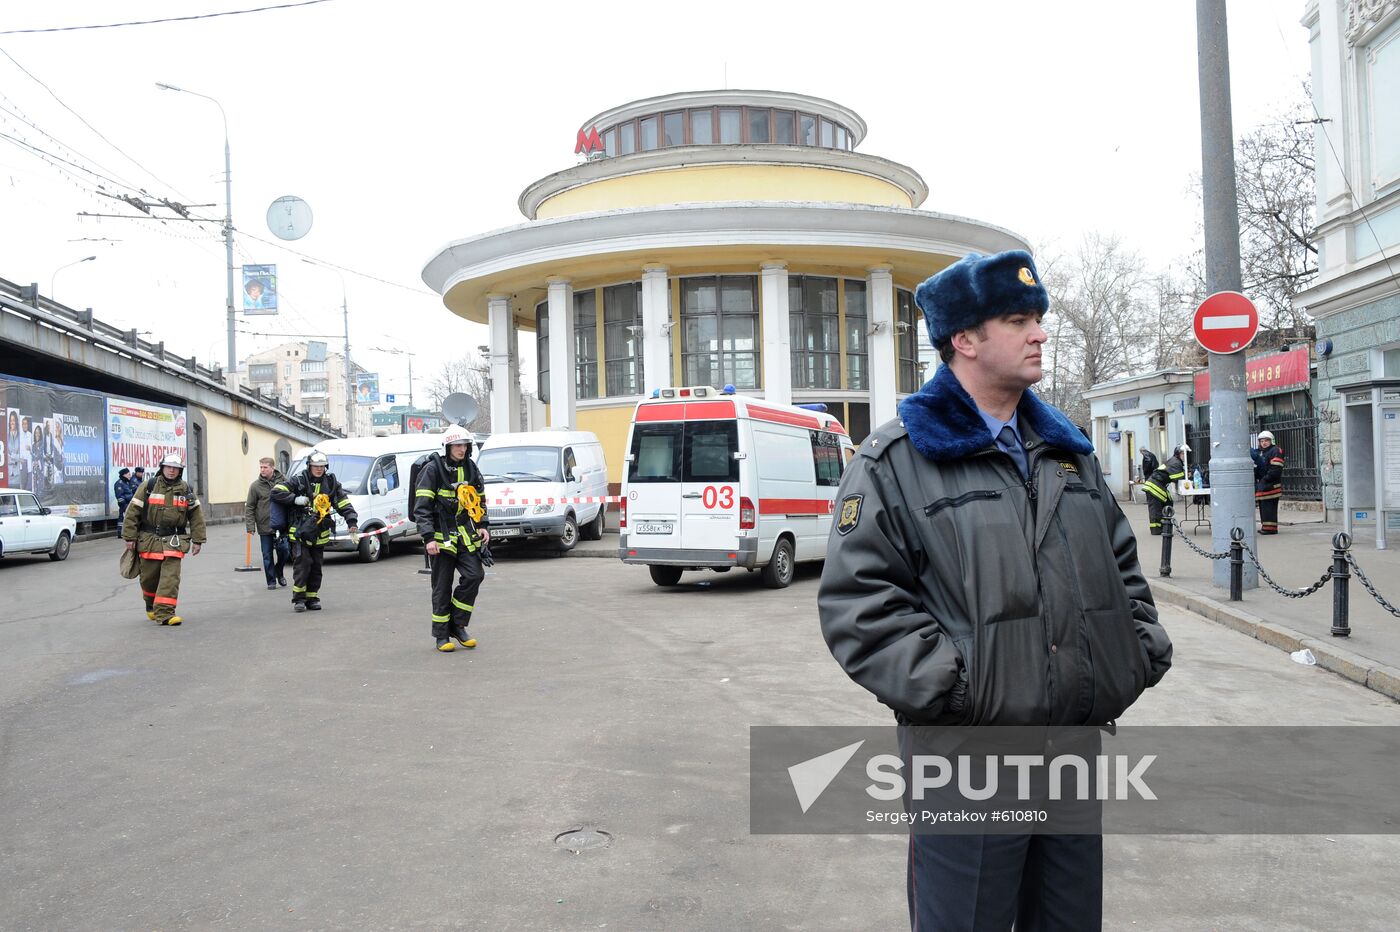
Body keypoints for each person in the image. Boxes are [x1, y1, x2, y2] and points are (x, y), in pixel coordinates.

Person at [818, 250, 1173, 931]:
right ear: (964, 339)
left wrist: (1135, 655)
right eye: (1017, 320)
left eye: (1039, 318)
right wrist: (963, 690)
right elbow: (859, 604)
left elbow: (1123, 569)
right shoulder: (895, 460)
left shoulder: (1067, 456)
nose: (1040, 333)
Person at [413, 425, 490, 653]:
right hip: (440, 539)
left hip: (465, 536)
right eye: (457, 445)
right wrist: (428, 538)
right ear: (448, 447)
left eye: (465, 445)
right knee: (441, 587)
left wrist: (483, 525)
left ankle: (458, 624)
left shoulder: (471, 468)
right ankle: (441, 635)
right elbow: (422, 508)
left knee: (475, 575)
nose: (462, 449)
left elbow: (480, 501)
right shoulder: (432, 470)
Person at [121, 453, 206, 626]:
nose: (171, 471)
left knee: (170, 578)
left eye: (175, 468)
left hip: (174, 540)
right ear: (162, 468)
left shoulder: (186, 489)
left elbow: (196, 516)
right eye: (168, 467)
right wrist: (129, 536)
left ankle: (166, 613)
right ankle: (151, 605)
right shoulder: (148, 486)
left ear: (179, 470)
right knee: (149, 578)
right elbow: (132, 512)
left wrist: (198, 540)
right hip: (149, 540)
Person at [271, 451, 358, 612]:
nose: (319, 469)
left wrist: (351, 520)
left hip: (319, 532)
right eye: (316, 466)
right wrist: (295, 499)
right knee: (302, 564)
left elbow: (343, 502)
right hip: (300, 532)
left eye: (322, 466)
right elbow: (276, 492)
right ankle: (299, 599)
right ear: (309, 466)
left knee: (316, 566)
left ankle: (312, 597)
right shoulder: (299, 480)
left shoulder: (331, 483)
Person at [245, 457, 291, 591]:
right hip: (264, 526)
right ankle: (271, 581)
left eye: (265, 467)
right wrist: (250, 526)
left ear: (272, 468)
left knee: (285, 551)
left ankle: (279, 571)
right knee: (267, 555)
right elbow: (250, 507)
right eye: (261, 467)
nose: (262, 470)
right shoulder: (255, 486)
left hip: (281, 524)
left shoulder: (284, 482)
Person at [1142, 443, 1190, 535]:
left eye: (1186, 454)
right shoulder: (1175, 462)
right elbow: (1176, 477)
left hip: (1159, 485)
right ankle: (1156, 529)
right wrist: (1186, 476)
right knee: (1156, 509)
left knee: (1168, 503)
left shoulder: (1176, 461)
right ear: (1178, 454)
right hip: (1154, 485)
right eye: (1183, 453)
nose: (1185, 456)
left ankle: (1165, 525)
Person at [1253, 429, 1284, 534]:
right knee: (1264, 506)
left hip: (1271, 484)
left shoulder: (1276, 450)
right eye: (1261, 441)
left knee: (1269, 507)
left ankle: (1271, 529)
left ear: (1271, 441)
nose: (1264, 443)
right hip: (1263, 484)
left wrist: (1266, 478)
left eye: (1266, 440)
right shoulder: (1261, 452)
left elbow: (1276, 468)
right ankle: (1266, 527)